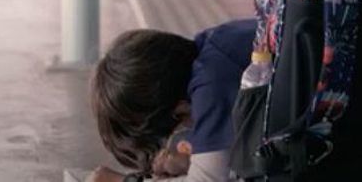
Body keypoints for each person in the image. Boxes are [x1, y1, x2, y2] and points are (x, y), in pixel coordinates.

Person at [89, 19, 256, 181]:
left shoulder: (211, 86)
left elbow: (206, 180)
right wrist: (190, 163)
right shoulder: (214, 46)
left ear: (180, 111)